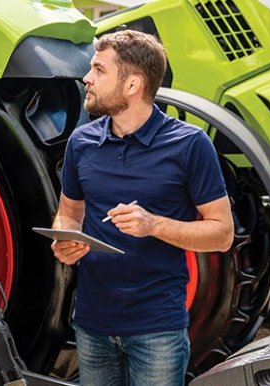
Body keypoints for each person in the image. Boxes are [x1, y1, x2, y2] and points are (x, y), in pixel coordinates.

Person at [51, 30, 234, 386]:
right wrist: (66, 239)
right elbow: (69, 212)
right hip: (91, 325)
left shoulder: (189, 145)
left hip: (157, 331)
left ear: (133, 84)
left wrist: (153, 225)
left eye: (99, 70)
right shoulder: (82, 142)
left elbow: (222, 234)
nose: (87, 78)